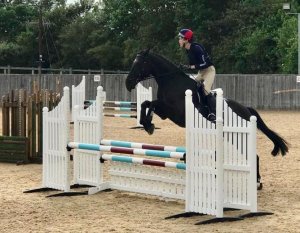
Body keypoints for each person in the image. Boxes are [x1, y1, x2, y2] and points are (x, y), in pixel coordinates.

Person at [178, 28, 216, 121]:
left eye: (181, 38)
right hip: (201, 72)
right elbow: (195, 65)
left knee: (206, 89)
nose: (179, 40)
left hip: (209, 71)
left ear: (186, 40)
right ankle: (200, 107)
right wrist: (185, 67)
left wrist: (190, 67)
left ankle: (213, 113)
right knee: (191, 84)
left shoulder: (196, 48)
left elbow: (205, 63)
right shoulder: (188, 49)